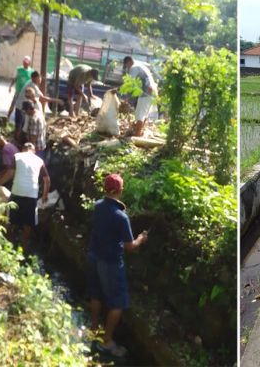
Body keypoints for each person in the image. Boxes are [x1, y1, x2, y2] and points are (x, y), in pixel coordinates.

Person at [87, 174, 148, 357]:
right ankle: (106, 341)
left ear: (106, 189)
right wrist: (141, 239)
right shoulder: (121, 217)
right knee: (118, 302)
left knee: (96, 294)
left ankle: (94, 330)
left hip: (92, 257)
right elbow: (130, 246)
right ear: (119, 190)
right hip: (111, 263)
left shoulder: (97, 206)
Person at [0, 142, 50, 251]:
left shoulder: (17, 156)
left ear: (22, 149)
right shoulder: (39, 160)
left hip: (17, 191)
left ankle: (7, 243)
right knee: (28, 223)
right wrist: (44, 195)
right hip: (32, 194)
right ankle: (24, 245)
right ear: (34, 151)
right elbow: (47, 180)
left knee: (11, 219)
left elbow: (10, 173)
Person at [8, 71, 61, 142]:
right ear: (34, 78)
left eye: (40, 78)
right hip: (22, 108)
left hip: (23, 108)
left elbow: (41, 97)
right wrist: (57, 100)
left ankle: (19, 141)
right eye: (39, 78)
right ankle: (18, 142)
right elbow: (42, 98)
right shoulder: (32, 85)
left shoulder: (32, 84)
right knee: (20, 127)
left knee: (22, 127)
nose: (40, 79)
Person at [122, 56, 158, 137]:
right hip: (152, 91)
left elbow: (130, 83)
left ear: (129, 62)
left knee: (140, 114)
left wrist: (125, 96)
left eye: (127, 66)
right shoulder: (140, 65)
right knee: (144, 113)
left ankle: (137, 135)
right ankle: (139, 132)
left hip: (146, 93)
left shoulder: (134, 67)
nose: (127, 68)